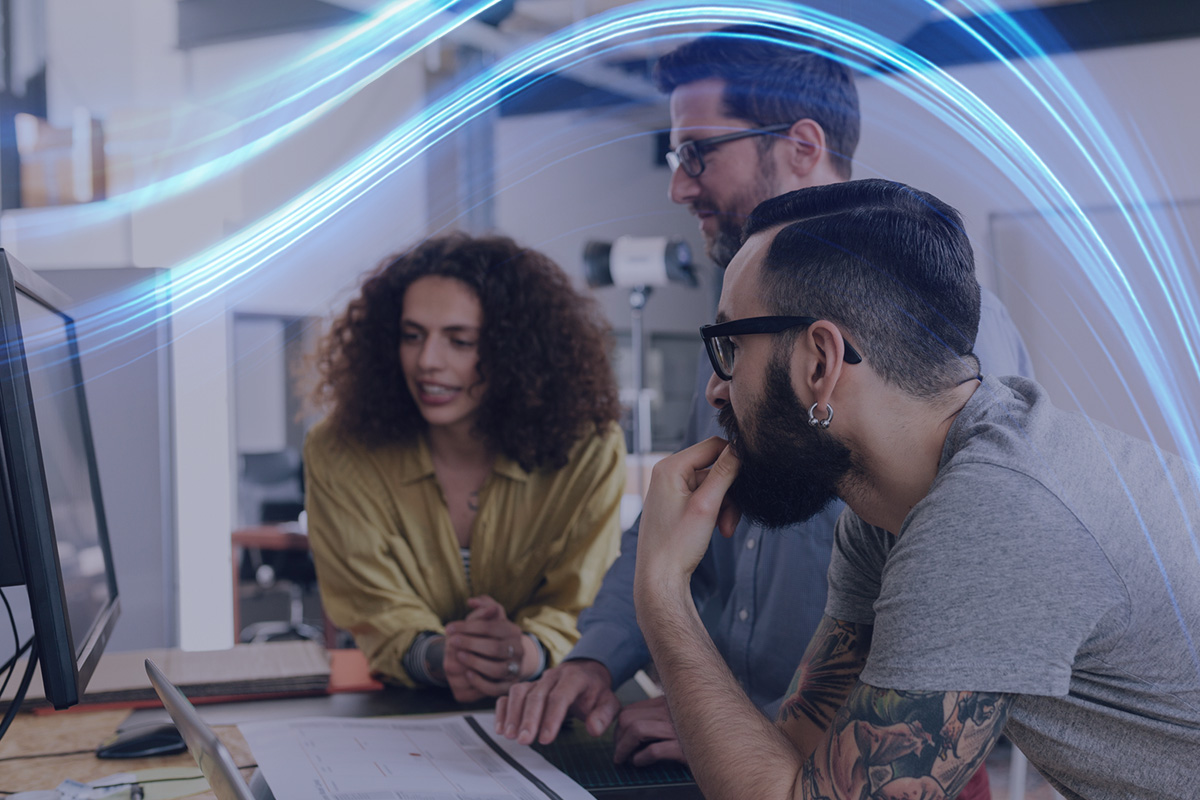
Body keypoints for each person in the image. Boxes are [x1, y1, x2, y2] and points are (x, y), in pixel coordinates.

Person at [497, 27, 1029, 797]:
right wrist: (594, 658)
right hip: (714, 748)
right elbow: (676, 519)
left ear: (802, 145)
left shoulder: (951, 332)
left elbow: (959, 604)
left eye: (698, 153)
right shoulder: (738, 339)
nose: (679, 188)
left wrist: (751, 724)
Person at [632, 178, 1200, 800]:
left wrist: (662, 593)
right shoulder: (888, 512)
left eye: (731, 347)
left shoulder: (992, 516)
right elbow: (799, 750)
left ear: (820, 364)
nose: (717, 389)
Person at [304, 232, 627, 702]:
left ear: (514, 352)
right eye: (412, 336)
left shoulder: (589, 449)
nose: (427, 362)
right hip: (405, 709)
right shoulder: (339, 450)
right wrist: (442, 657)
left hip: (551, 701)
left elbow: (581, 603)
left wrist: (524, 653)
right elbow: (375, 609)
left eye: (460, 341)